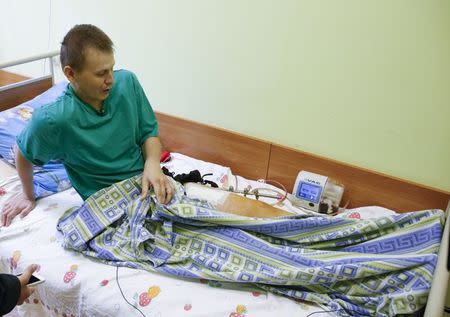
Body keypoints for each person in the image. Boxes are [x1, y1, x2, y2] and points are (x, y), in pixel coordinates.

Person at [1, 24, 173, 227]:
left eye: (111, 69)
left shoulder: (127, 83)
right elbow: (23, 153)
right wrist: (28, 195)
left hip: (146, 182)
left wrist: (153, 163)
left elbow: (148, 132)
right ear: (71, 74)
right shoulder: (54, 119)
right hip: (107, 201)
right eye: (101, 74)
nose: (110, 80)